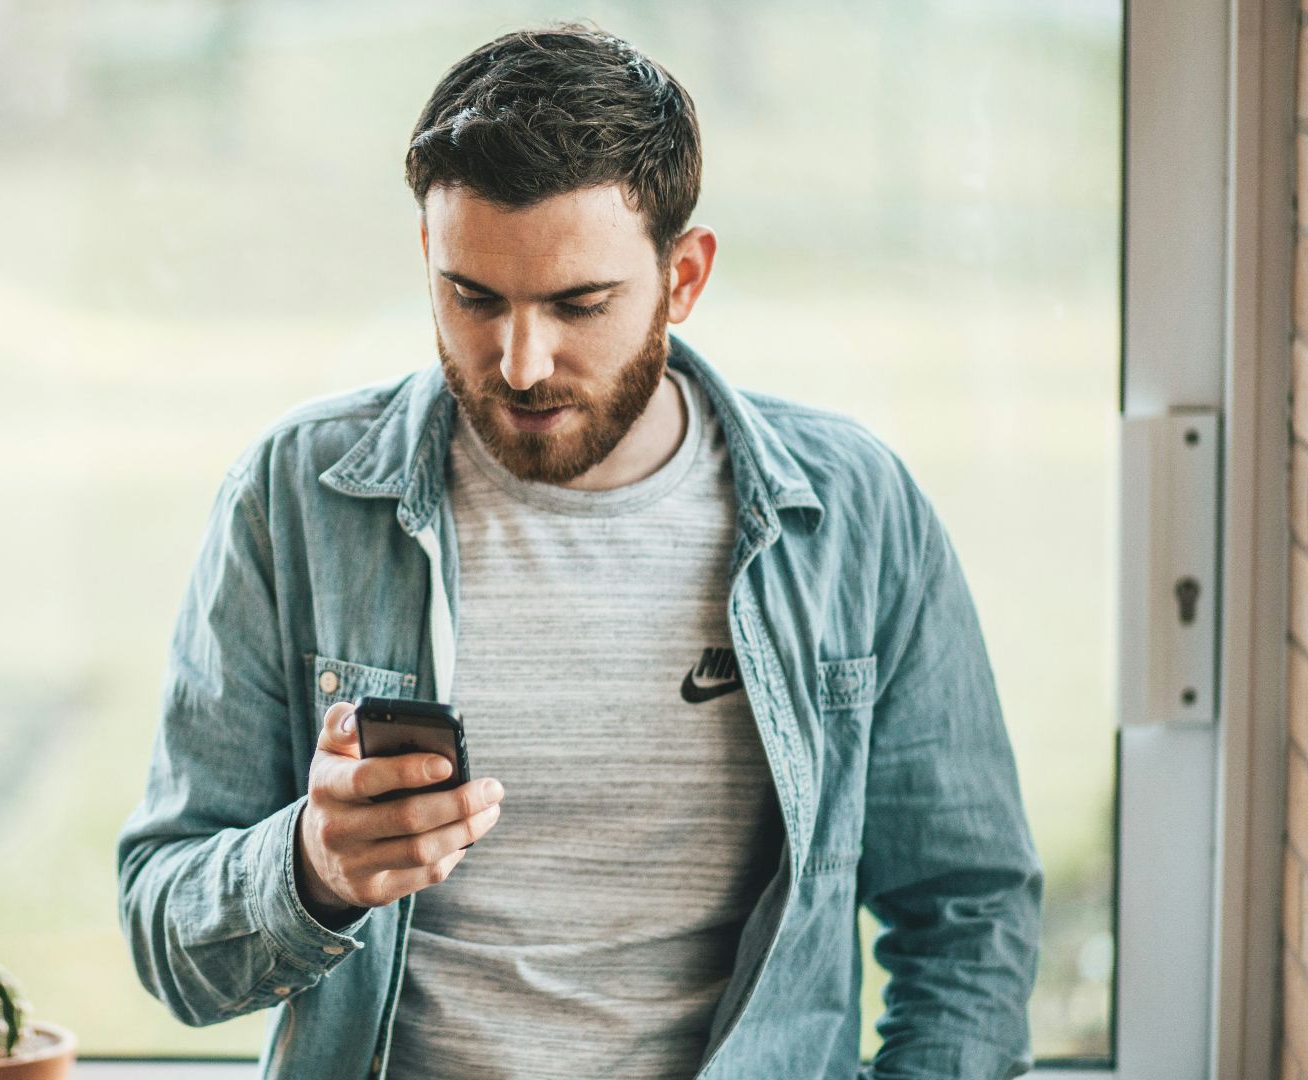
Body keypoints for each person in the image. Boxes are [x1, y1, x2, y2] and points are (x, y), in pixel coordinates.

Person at [116, 22, 1042, 1080]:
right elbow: (167, 936)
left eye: (578, 305)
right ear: (428, 256)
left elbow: (967, 914)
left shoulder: (854, 513)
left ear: (682, 277)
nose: (519, 363)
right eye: (473, 298)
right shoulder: (296, 497)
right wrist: (311, 866)